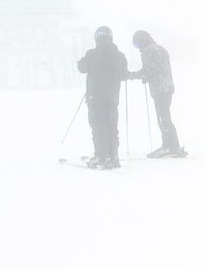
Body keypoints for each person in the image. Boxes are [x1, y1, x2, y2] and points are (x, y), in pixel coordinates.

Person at [75, 26, 128, 169]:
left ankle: (101, 155)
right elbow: (124, 75)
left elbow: (82, 68)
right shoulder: (120, 55)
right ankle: (113, 156)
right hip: (112, 97)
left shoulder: (92, 54)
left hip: (95, 96)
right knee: (112, 125)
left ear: (97, 38)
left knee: (98, 125)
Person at [127, 30, 186, 158]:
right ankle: (171, 145)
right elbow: (157, 68)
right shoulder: (159, 49)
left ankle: (170, 146)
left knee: (163, 117)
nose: (138, 48)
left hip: (160, 88)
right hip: (167, 86)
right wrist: (146, 75)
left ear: (142, 41)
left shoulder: (149, 52)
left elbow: (150, 69)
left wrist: (135, 75)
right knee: (164, 116)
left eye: (137, 45)